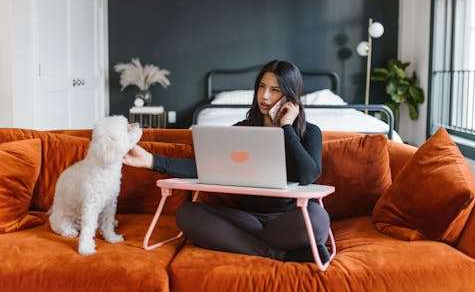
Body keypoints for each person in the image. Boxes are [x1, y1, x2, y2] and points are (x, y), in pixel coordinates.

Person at [123, 60, 330, 263]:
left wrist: (286, 128)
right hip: (247, 220)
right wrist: (151, 160)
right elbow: (203, 168)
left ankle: (251, 246)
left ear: (290, 96)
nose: (265, 96)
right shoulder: (241, 131)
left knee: (318, 219)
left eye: (275, 90)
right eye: (261, 87)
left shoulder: (310, 132)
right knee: (188, 213)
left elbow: (308, 176)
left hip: (289, 219)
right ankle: (280, 254)